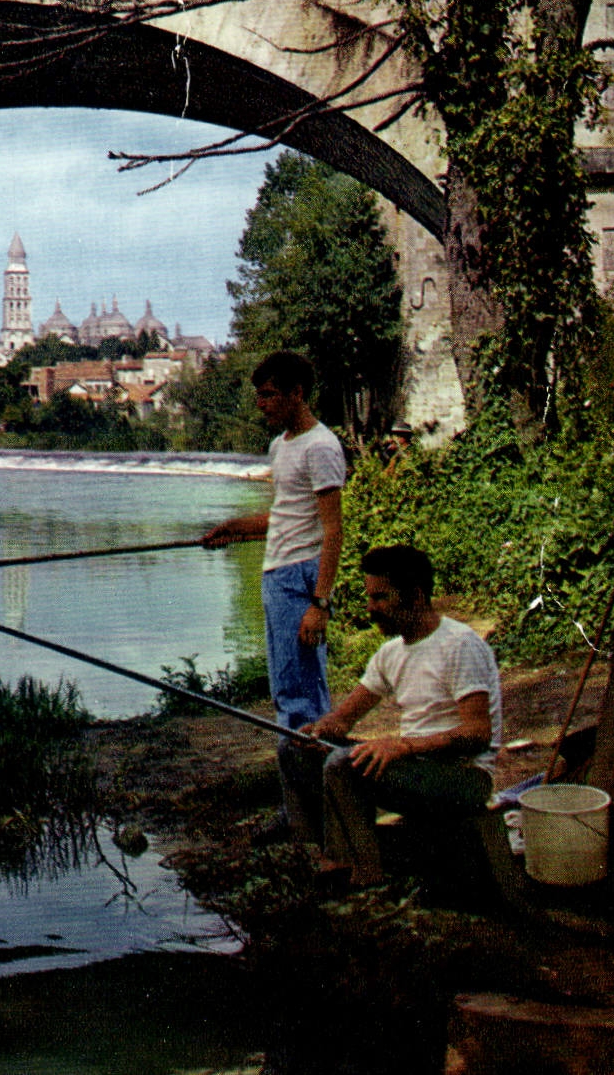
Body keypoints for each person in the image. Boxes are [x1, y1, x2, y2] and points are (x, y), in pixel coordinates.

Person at [278, 544, 502, 888]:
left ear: (414, 596)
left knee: (342, 764)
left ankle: (363, 872)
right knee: (294, 750)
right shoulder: (390, 654)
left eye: (380, 598)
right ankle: (312, 852)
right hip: (416, 770)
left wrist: (405, 746)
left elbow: (477, 732)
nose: (370, 609)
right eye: (370, 598)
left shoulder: (460, 645)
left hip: (463, 777)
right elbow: (343, 720)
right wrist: (322, 729)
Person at [203, 351, 345, 732]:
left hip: (301, 577)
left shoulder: (321, 447)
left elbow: (333, 529)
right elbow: (283, 517)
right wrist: (235, 528)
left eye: (268, 394)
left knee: (300, 696)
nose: (260, 404)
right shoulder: (280, 446)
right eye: (258, 395)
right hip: (276, 576)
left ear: (296, 393)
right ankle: (307, 777)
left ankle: (311, 777)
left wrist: (320, 603)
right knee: (287, 686)